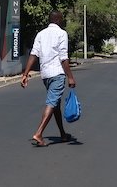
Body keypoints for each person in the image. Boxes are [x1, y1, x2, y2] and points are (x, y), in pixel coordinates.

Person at [21, 10, 76, 147]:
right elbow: (63, 57)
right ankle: (39, 133)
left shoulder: (41, 34)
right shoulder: (62, 34)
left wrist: (25, 73)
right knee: (52, 102)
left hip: (45, 74)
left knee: (55, 103)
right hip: (57, 73)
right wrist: (70, 77)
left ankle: (63, 134)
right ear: (58, 20)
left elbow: (34, 54)